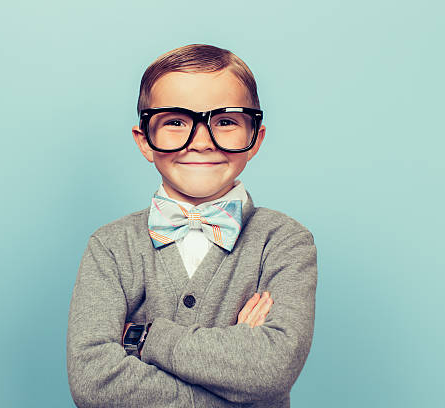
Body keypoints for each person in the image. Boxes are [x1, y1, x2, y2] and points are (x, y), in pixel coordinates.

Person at [66, 43, 317, 408]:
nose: (200, 142)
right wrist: (233, 375)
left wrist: (145, 337)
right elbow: (94, 383)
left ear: (255, 138)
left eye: (225, 121)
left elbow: (270, 370)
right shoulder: (109, 247)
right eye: (175, 122)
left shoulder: (284, 242)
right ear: (144, 141)